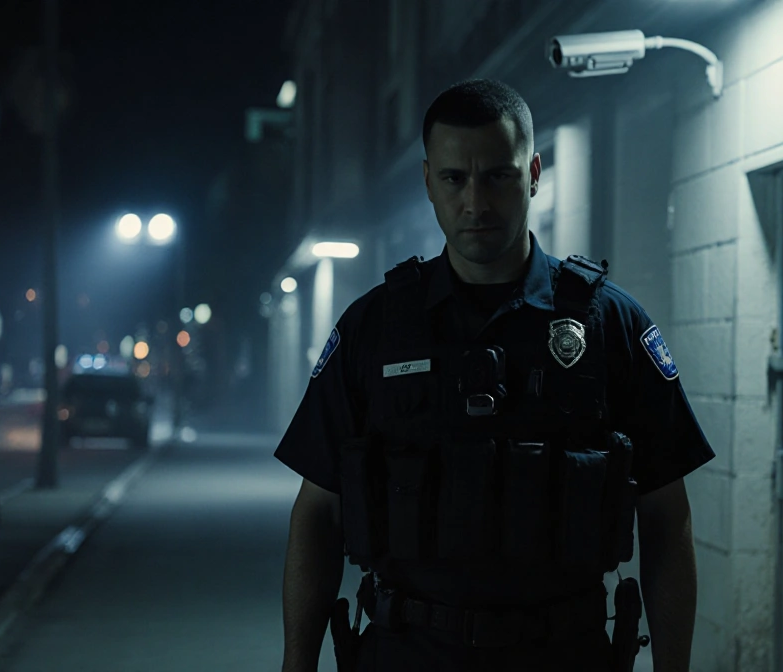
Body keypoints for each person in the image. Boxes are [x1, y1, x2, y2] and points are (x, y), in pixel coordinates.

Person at [277, 78, 714, 672]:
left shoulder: (606, 322)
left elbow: (667, 518)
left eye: (499, 176)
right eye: (455, 178)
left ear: (534, 173)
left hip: (562, 654)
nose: (476, 203)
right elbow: (317, 514)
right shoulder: (374, 328)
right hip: (408, 653)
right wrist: (296, 663)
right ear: (428, 180)